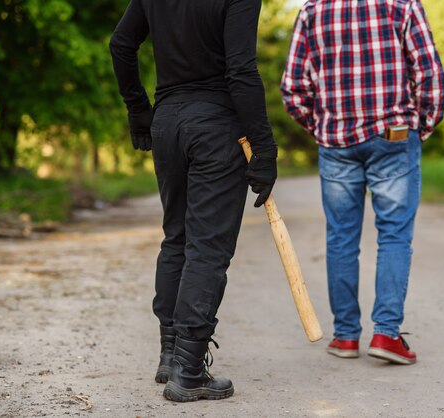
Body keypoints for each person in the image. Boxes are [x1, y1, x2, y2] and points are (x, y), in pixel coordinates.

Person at [109, 0, 278, 401]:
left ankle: (170, 355)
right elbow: (240, 70)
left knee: (178, 238)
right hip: (216, 127)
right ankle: (188, 370)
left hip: (169, 124)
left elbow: (121, 44)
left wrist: (139, 111)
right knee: (208, 248)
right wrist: (265, 146)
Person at [281, 0, 444, 365]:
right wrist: (423, 127)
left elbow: (293, 87)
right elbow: (429, 73)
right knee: (394, 234)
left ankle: (345, 337)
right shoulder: (401, 5)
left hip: (336, 140)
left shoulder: (312, 11)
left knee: (341, 236)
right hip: (393, 135)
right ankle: (386, 335)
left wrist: (323, 129)